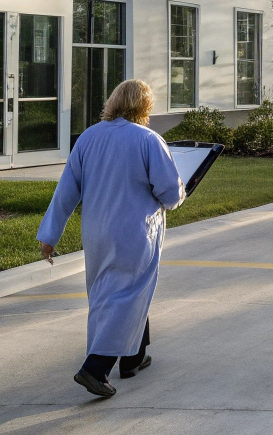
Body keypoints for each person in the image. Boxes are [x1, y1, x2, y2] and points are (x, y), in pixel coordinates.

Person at [37, 79, 185, 399]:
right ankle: (96, 367)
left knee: (108, 294)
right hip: (134, 232)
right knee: (128, 294)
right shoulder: (148, 139)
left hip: (97, 232)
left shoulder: (89, 137)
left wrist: (49, 235)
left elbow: (66, 192)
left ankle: (133, 357)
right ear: (144, 106)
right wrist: (178, 192)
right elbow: (171, 194)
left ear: (113, 101)